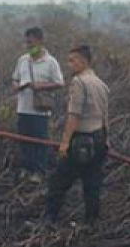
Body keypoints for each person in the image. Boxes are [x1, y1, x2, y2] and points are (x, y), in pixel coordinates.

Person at [44, 45, 109, 225]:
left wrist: (65, 143)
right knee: (92, 185)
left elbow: (74, 116)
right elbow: (105, 117)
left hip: (81, 141)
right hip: (98, 140)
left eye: (72, 60)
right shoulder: (100, 84)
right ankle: (91, 223)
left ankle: (49, 220)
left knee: (58, 182)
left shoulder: (79, 82)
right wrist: (104, 142)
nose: (69, 64)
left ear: (83, 61)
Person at [11, 27, 64, 183]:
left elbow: (60, 82)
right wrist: (18, 85)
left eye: (31, 42)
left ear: (40, 41)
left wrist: (40, 86)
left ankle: (39, 171)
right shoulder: (22, 60)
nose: (28, 46)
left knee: (40, 141)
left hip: (40, 111)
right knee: (24, 140)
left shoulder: (51, 62)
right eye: (27, 42)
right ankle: (27, 169)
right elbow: (15, 78)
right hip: (23, 108)